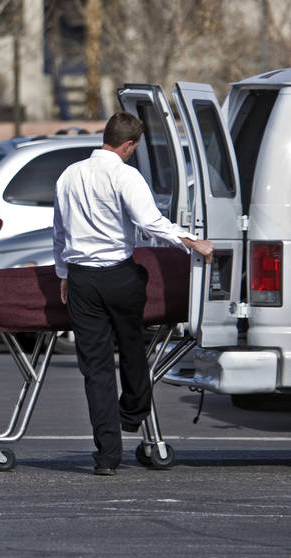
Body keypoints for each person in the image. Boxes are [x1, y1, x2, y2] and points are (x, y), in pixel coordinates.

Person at [52, 112, 213, 476]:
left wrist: (63, 273)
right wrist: (192, 242)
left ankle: (107, 455)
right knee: (132, 348)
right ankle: (133, 411)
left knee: (94, 369)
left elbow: (59, 230)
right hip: (118, 276)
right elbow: (149, 222)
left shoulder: (68, 175)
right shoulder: (125, 175)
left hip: (81, 279)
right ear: (129, 145)